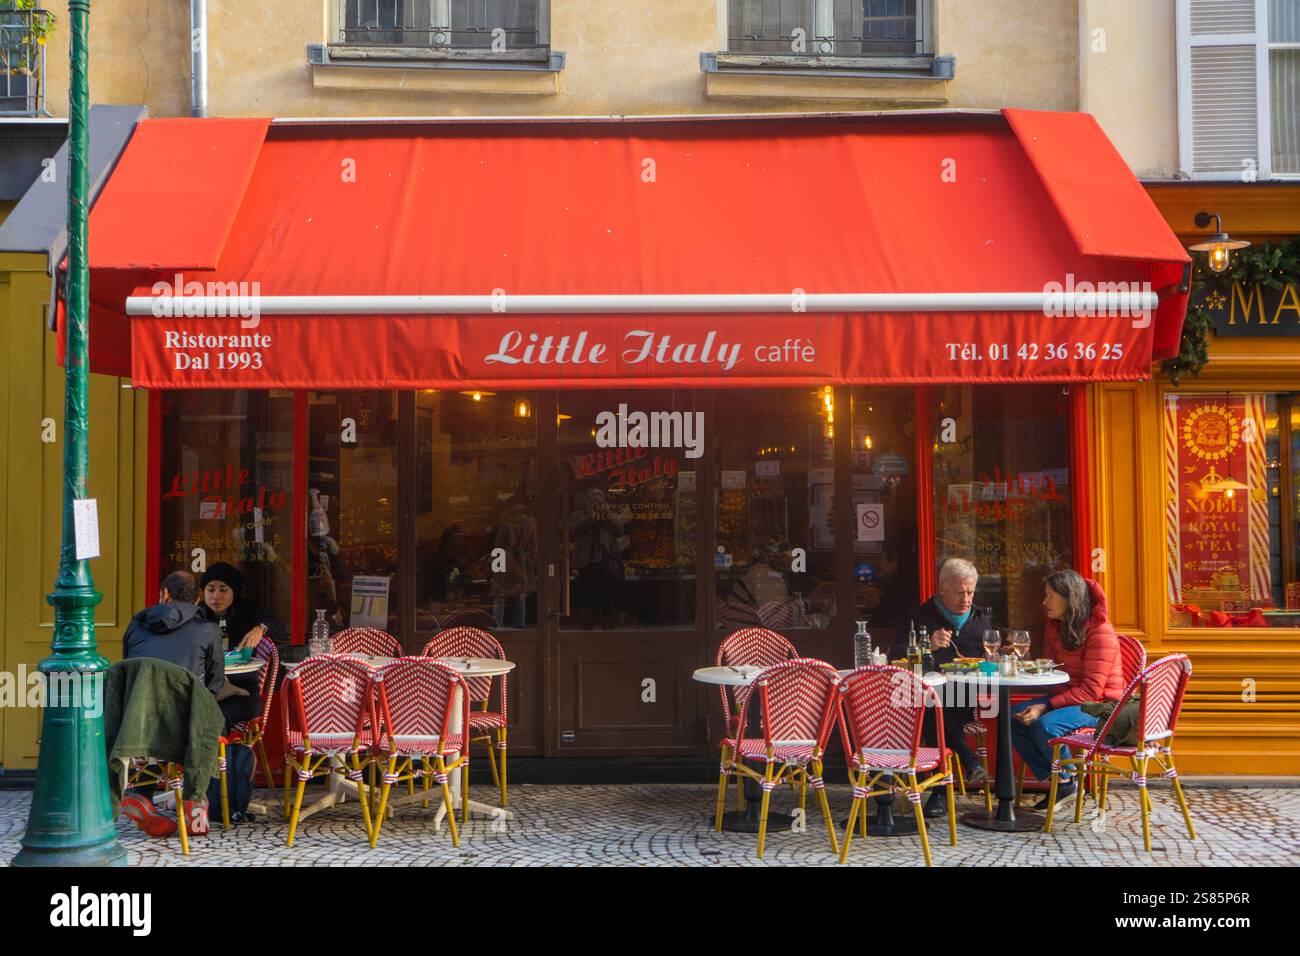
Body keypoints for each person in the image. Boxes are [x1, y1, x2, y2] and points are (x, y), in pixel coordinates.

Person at [1010, 570, 1124, 809]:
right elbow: (1054, 671)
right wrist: (1027, 660)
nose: (1044, 602)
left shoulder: (1101, 633)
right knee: (1014, 718)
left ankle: (1067, 782)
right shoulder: (1055, 625)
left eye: (1050, 596)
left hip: (1103, 705)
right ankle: (1063, 781)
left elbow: (1092, 691)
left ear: (1069, 598)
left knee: (1046, 725)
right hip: (1069, 697)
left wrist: (1044, 706)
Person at [891, 557, 990, 816]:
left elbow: (991, 657)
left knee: (941, 712)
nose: (966, 599)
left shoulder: (980, 620)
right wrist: (927, 646)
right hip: (920, 695)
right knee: (935, 709)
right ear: (942, 589)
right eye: (959, 593)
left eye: (970, 592)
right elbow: (895, 652)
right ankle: (966, 762)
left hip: (966, 697)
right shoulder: (920, 617)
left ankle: (941, 791)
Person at [199, 561, 283, 652]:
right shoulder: (197, 613)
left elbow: (276, 625)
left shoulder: (246, 610)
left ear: (234, 593)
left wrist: (261, 629)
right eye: (211, 590)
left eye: (223, 590)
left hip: (242, 664)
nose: (216, 596)